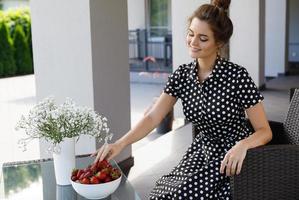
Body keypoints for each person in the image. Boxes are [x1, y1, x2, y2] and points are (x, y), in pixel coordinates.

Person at [91, 0, 273, 199]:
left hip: (233, 160)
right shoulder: (182, 75)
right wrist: (119, 144)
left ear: (219, 43)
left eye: (203, 38)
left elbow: (265, 131)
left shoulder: (237, 76)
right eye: (191, 33)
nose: (193, 42)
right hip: (201, 152)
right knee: (161, 194)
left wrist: (242, 145)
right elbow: (153, 117)